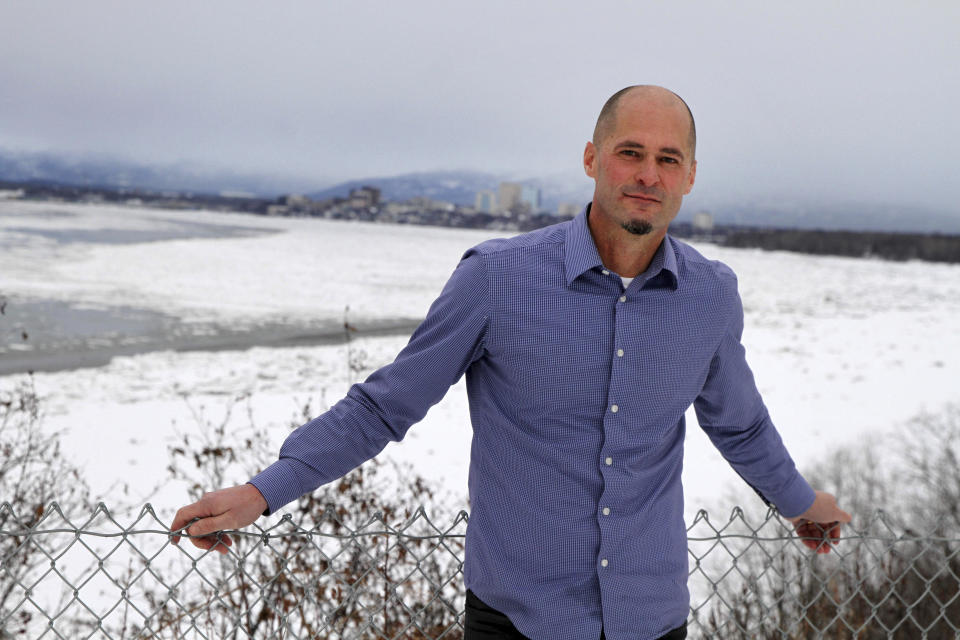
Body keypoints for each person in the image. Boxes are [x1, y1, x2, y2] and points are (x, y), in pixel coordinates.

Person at [171, 85, 851, 640]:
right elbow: (385, 405)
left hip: (654, 618)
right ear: (592, 158)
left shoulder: (710, 296)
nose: (648, 175)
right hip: (520, 623)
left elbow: (740, 424)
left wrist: (801, 502)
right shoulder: (497, 279)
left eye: (669, 159)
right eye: (630, 152)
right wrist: (262, 493)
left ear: (691, 176)